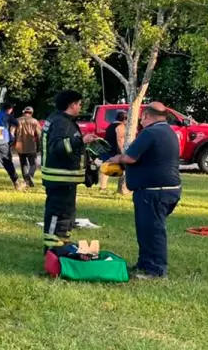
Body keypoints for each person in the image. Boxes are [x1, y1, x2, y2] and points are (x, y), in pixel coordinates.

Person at [107, 102, 181, 279]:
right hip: (167, 189)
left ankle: (156, 269)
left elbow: (129, 157)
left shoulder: (150, 132)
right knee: (147, 228)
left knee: (153, 230)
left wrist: (116, 158)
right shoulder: (169, 131)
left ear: (146, 115)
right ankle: (145, 263)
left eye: (141, 117)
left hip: (154, 192)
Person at [40, 90, 98, 251]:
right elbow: (57, 147)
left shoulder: (59, 120)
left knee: (66, 216)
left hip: (65, 179)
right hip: (60, 178)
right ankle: (52, 250)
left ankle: (62, 245)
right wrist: (80, 140)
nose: (80, 107)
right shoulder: (61, 122)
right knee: (57, 216)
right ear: (72, 104)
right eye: (79, 104)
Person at [98, 110, 127, 192]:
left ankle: (102, 187)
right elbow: (120, 140)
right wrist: (122, 152)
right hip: (114, 150)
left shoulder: (110, 125)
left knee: (105, 167)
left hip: (107, 148)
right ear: (124, 119)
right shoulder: (120, 126)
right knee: (122, 167)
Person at [15, 106, 41, 188]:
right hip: (31, 145)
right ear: (31, 113)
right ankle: (30, 175)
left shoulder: (17, 120)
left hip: (19, 145)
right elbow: (39, 134)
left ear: (24, 112)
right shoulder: (34, 121)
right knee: (34, 163)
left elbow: (12, 132)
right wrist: (39, 146)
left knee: (23, 163)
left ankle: (26, 180)